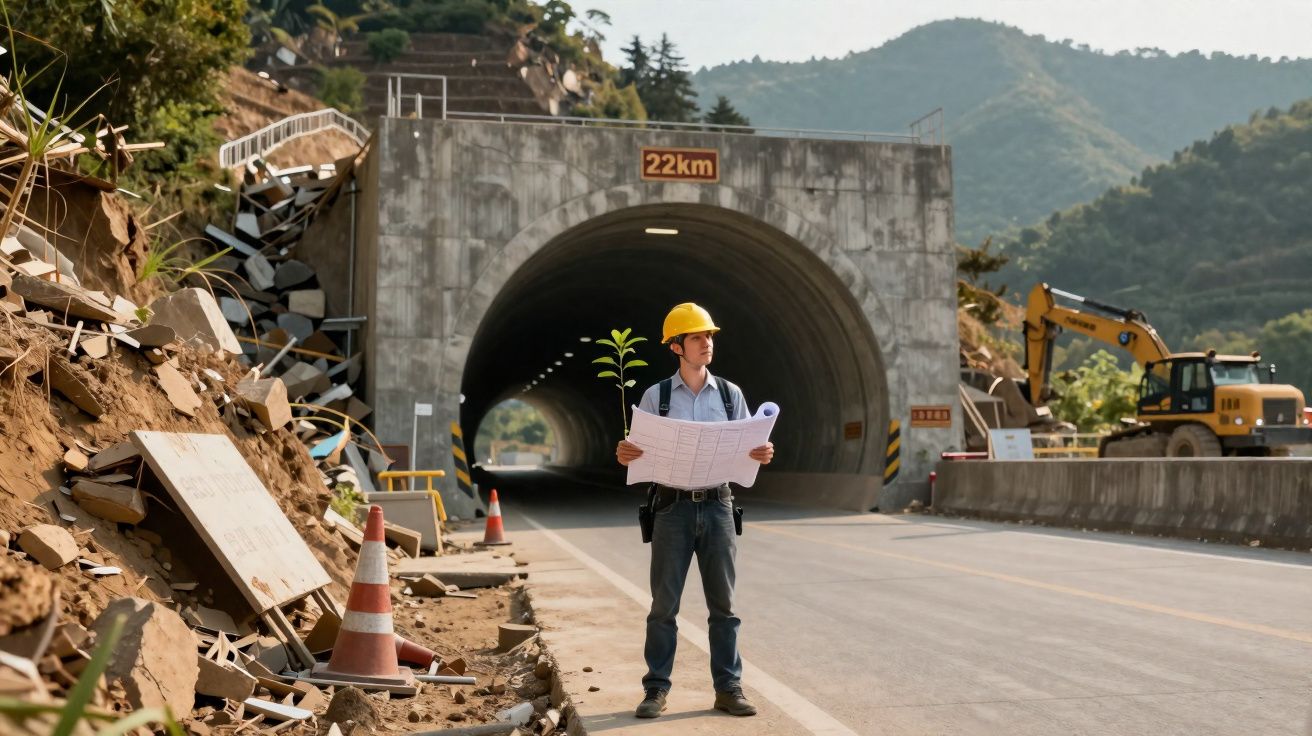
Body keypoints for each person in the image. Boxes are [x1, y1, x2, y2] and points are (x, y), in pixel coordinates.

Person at [615, 302, 775, 719]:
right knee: (664, 607)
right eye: (697, 337)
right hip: (672, 510)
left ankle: (728, 688)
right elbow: (638, 455)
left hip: (719, 506)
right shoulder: (657, 397)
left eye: (709, 337)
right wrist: (625, 452)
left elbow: (748, 448)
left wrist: (762, 452)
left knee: (725, 607)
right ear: (676, 347)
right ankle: (655, 691)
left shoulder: (730, 394)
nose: (707, 343)